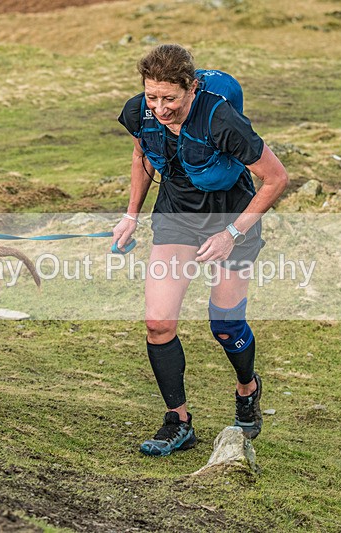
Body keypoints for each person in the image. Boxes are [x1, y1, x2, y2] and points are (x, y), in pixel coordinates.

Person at [112, 44, 289, 456]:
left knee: (225, 325)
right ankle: (179, 422)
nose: (159, 108)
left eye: (169, 98)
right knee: (158, 323)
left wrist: (231, 232)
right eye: (152, 96)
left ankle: (247, 388)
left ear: (191, 88)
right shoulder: (140, 112)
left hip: (231, 219)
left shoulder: (220, 118)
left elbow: (276, 179)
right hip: (176, 218)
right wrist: (131, 215)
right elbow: (142, 154)